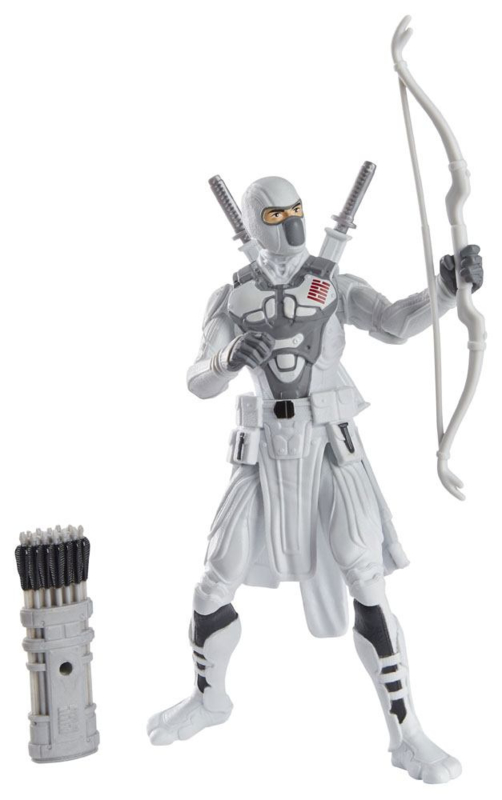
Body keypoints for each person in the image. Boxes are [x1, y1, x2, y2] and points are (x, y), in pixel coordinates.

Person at [147, 176, 483, 784]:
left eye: (297, 211)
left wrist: (443, 288)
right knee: (215, 579)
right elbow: (197, 379)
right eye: (276, 216)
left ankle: (407, 734)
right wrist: (225, 359)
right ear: (252, 224)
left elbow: (394, 323)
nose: (292, 224)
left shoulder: (332, 283)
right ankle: (208, 698)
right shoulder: (233, 296)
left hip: (330, 444)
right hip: (262, 453)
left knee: (365, 574)